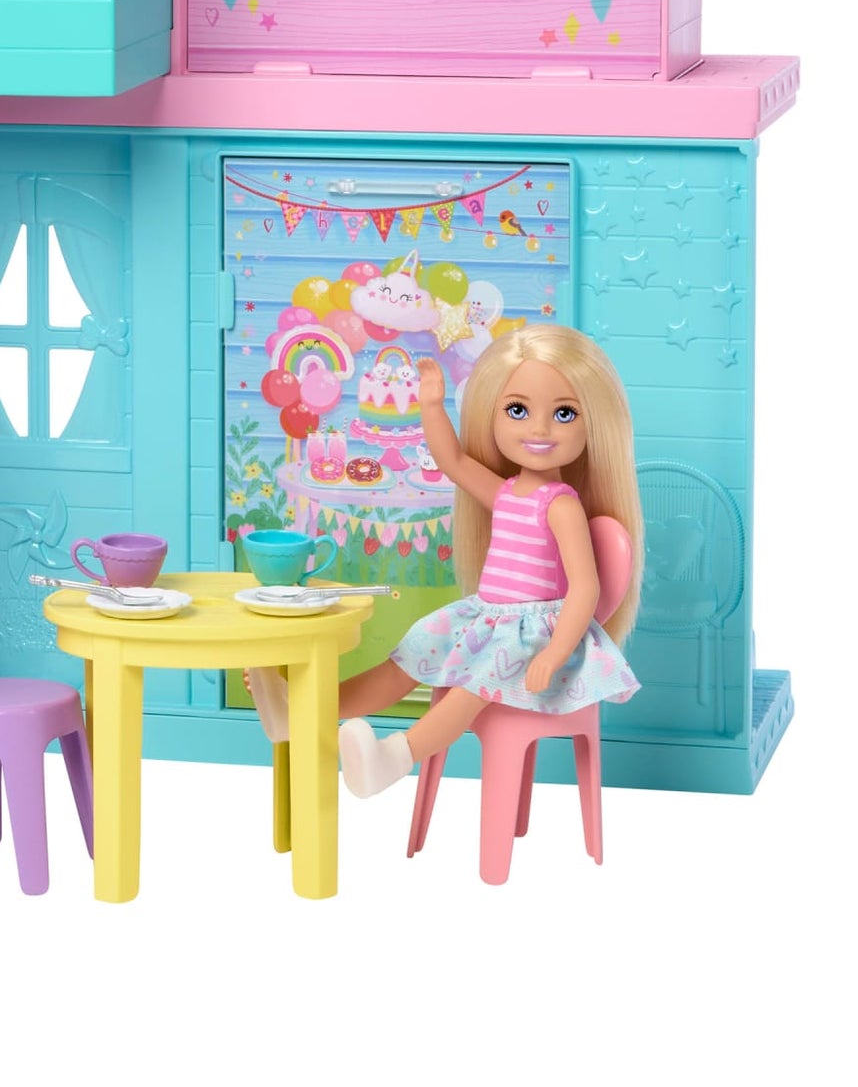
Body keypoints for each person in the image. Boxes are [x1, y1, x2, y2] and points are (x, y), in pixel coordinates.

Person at [247, 324, 642, 797]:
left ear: (593, 423)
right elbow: (452, 461)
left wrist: (555, 653)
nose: (539, 429)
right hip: (488, 618)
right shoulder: (508, 493)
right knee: (406, 657)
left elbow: (585, 588)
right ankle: (300, 711)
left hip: (532, 635)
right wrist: (432, 406)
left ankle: (393, 758)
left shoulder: (561, 506)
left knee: (473, 687)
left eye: (564, 414)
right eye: (518, 410)